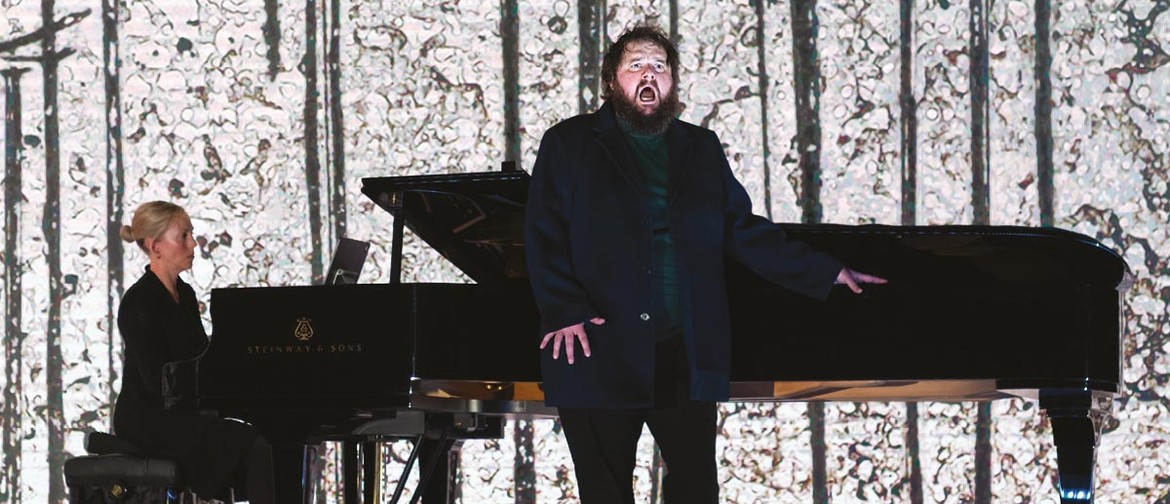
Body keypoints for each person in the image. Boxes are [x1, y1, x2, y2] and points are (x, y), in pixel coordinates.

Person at [524, 25, 886, 503]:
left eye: (659, 66)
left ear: (672, 81)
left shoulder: (700, 148)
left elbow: (741, 229)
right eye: (635, 65)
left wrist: (824, 271)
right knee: (605, 492)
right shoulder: (569, 143)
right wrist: (563, 307)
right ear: (612, 80)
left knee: (696, 490)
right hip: (599, 348)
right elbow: (542, 231)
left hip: (683, 350)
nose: (648, 74)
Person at [114, 200, 275, 503]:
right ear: (155, 245)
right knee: (251, 446)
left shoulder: (185, 294)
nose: (193, 243)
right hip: (147, 417)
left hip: (178, 410)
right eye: (183, 236)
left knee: (258, 445)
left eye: (191, 234)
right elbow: (156, 382)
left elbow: (201, 356)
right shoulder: (138, 302)